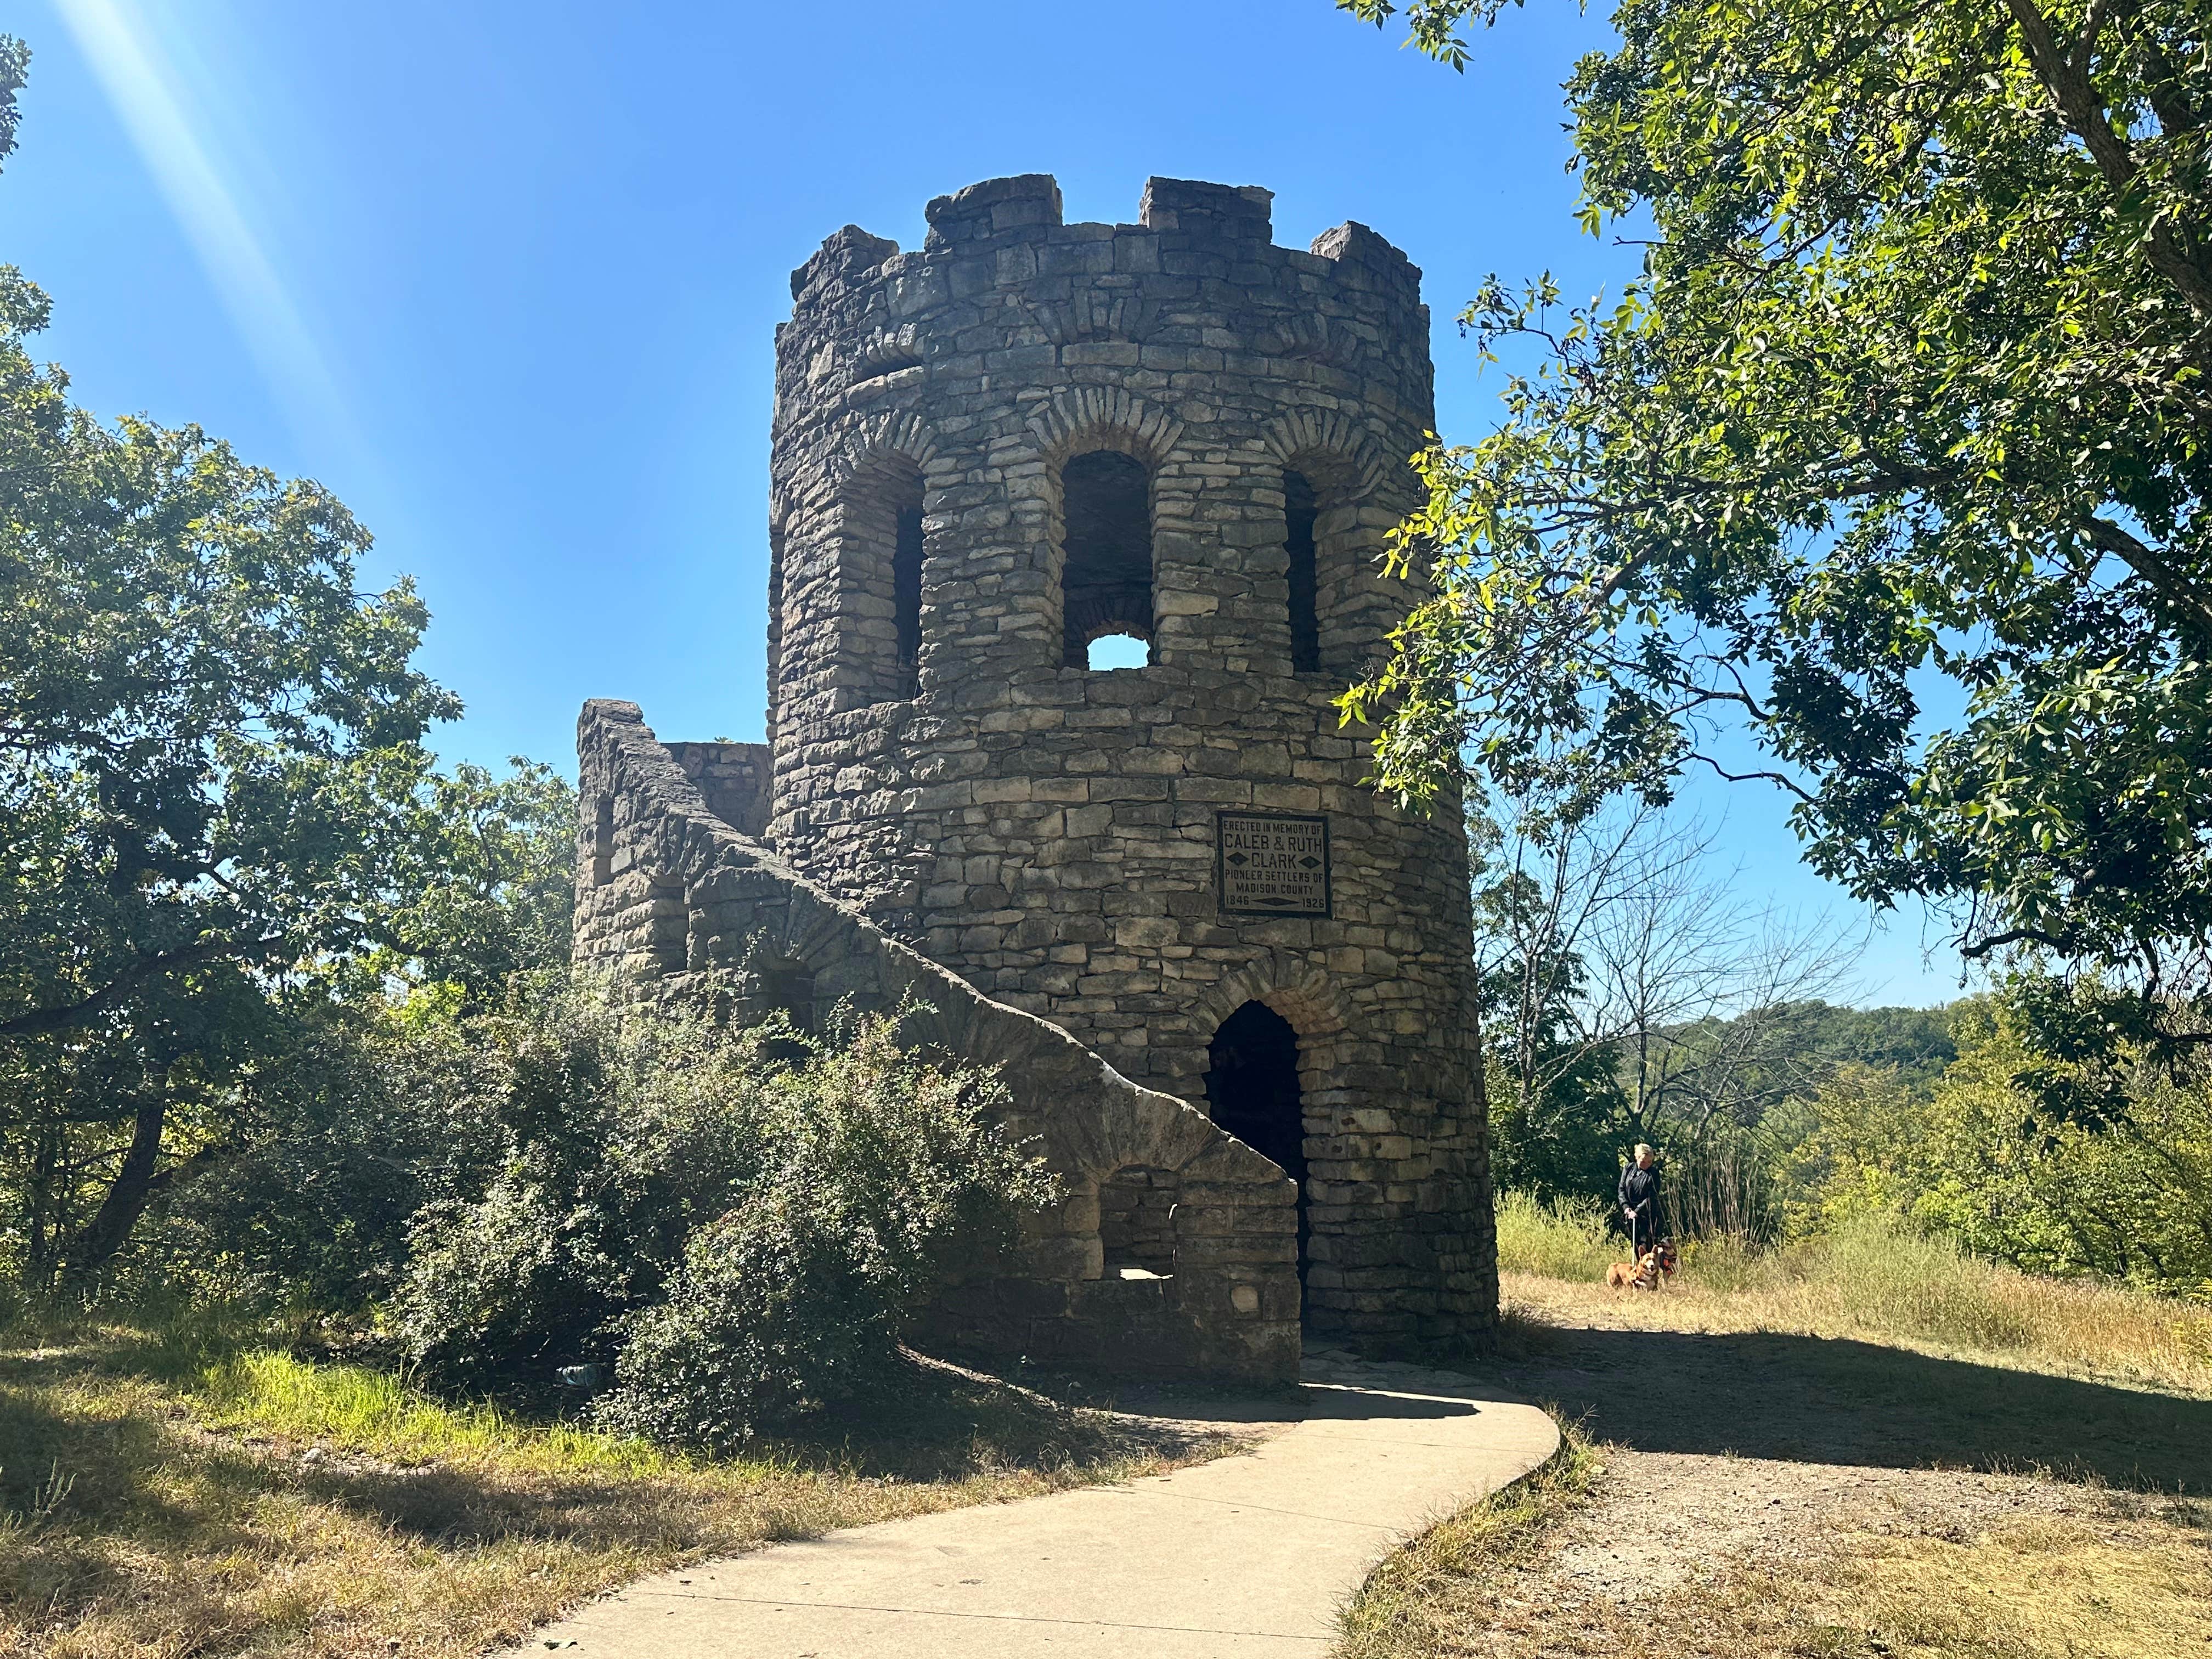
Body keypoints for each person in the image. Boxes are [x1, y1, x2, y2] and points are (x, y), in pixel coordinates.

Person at [1618, 1143, 1661, 1259]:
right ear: (1637, 1157)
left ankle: (1651, 1274)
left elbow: (1652, 1197)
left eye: (1650, 1162)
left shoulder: (1654, 1174)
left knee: (1647, 1247)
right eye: (1643, 1161)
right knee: (1636, 1247)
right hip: (1629, 1214)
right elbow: (1621, 1189)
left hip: (1646, 1216)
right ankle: (1640, 1273)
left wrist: (1637, 1211)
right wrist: (1626, 1207)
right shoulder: (1628, 1168)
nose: (1646, 1164)